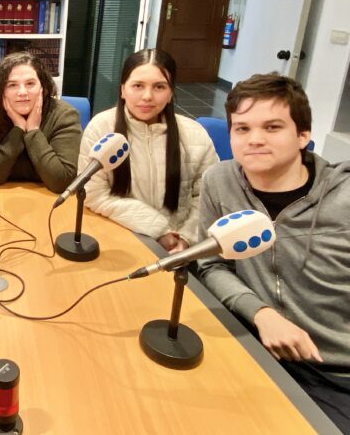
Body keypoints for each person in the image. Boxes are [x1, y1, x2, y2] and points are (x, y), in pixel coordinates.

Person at [196, 74, 349, 432]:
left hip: (336, 370)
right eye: (242, 128)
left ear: (303, 135)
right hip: (256, 345)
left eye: (272, 126)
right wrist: (261, 313)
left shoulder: (343, 198)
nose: (255, 140)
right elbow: (211, 264)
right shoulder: (220, 181)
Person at [79, 49, 217, 250]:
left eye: (159, 87)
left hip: (181, 247)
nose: (147, 96)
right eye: (138, 86)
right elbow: (94, 194)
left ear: (171, 93)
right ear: (123, 89)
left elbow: (208, 198)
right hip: (121, 239)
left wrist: (186, 239)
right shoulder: (101, 128)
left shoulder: (195, 135)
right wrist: (159, 230)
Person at [0, 52, 81, 193]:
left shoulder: (64, 116)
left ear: (43, 87)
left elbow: (62, 182)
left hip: (47, 201)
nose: (22, 92)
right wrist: (18, 128)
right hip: (2, 197)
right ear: (1, 91)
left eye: (30, 83)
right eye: (12, 85)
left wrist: (33, 130)